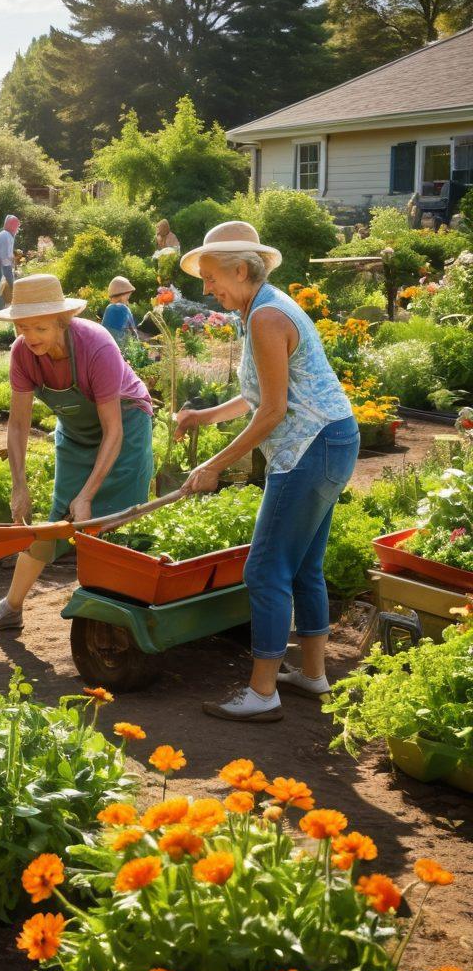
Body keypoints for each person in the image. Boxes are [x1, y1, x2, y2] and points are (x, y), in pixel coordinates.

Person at [173, 221, 359, 723]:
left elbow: (273, 412)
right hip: (329, 438)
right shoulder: (260, 306)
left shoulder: (266, 317)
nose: (206, 289)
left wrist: (213, 465)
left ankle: (261, 693)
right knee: (303, 565)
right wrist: (203, 416)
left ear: (240, 268)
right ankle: (313, 674)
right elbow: (262, 395)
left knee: (264, 568)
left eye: (211, 277)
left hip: (308, 446)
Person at [0, 274, 154, 635]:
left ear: (61, 321)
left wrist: (88, 495)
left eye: (40, 327)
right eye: (22, 327)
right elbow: (18, 425)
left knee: (120, 519)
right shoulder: (23, 353)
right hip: (77, 432)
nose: (30, 336)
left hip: (125, 427)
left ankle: (124, 612)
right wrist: (18, 486)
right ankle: (11, 608)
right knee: (56, 520)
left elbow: (112, 430)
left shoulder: (96, 346)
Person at [0, 214, 20, 310]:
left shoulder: (5, 234)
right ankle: (1, 310)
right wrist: (12, 259)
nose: (17, 228)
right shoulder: (6, 236)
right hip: (3, 267)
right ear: (12, 225)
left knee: (0, 289)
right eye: (16, 226)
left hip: (1, 266)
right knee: (7, 289)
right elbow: (4, 255)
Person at [101, 276, 139, 347]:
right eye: (128, 296)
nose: (128, 299)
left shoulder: (108, 308)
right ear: (123, 295)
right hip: (119, 350)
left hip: (105, 347)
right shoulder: (123, 309)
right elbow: (134, 333)